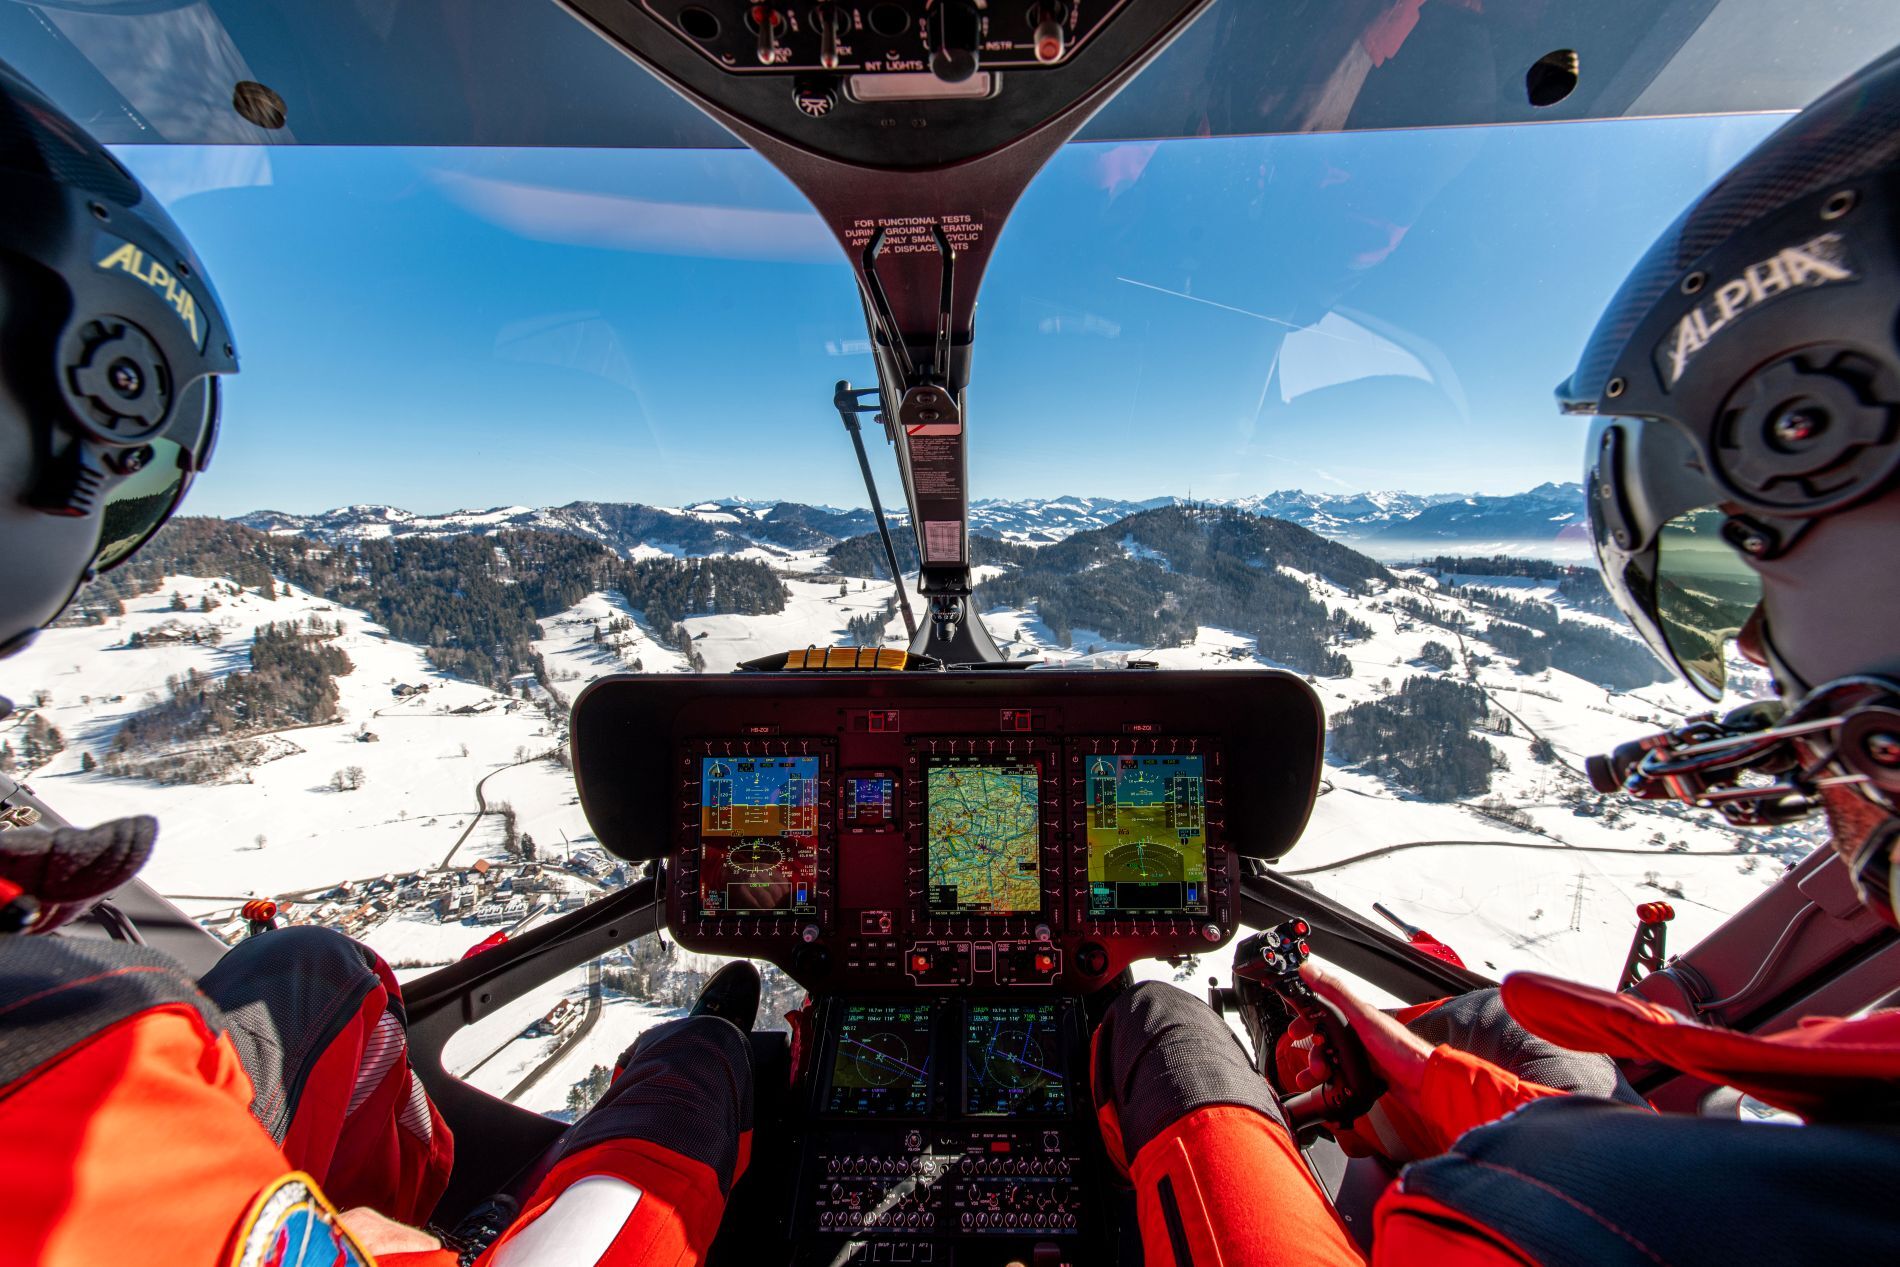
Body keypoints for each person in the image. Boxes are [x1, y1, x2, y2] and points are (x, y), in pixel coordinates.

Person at [1088, 41, 1900, 1267]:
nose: (1753, 660)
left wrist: (1174, 1051)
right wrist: (1559, 1111)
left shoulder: (1552, 1218)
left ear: (1810, 449)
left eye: (1735, 582)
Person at [0, 58, 762, 1267]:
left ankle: (433, 1198)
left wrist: (694, 1050)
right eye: (137, 465)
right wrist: (695, 1067)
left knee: (316, 971)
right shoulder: (72, 1084)